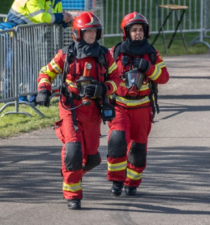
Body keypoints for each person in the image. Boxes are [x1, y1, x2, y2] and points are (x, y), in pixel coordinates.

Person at [35, 11, 121, 210]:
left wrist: (103, 88)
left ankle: (70, 173)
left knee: (92, 158)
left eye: (94, 31)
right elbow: (45, 72)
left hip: (93, 109)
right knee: (73, 150)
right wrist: (43, 90)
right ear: (77, 33)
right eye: (87, 31)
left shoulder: (105, 55)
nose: (92, 35)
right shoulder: (65, 54)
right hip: (70, 106)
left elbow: (117, 79)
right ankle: (73, 195)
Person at [106, 12, 169, 197]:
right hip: (120, 107)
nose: (138, 33)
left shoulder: (152, 53)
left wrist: (148, 67)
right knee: (117, 141)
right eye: (134, 30)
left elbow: (164, 77)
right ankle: (117, 180)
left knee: (138, 148)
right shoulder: (115, 52)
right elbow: (104, 74)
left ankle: (132, 182)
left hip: (142, 108)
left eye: (140, 30)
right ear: (126, 32)